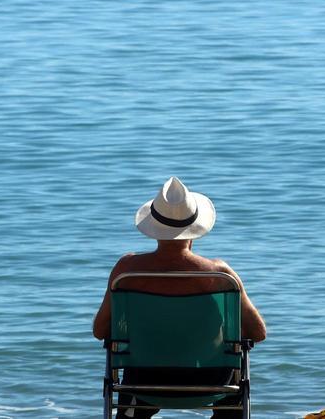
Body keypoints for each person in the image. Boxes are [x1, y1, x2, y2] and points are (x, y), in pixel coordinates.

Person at [93, 177, 266, 419]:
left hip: (143, 382)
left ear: (154, 227)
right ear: (195, 228)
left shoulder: (127, 272)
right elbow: (258, 332)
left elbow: (100, 331)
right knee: (235, 381)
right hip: (213, 382)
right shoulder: (220, 276)